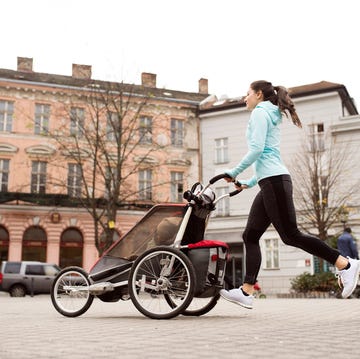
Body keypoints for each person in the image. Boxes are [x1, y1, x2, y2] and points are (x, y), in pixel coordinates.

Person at [219, 80, 360, 309]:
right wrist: (248, 182)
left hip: (274, 182)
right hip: (269, 182)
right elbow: (268, 156)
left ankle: (345, 264)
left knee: (290, 235)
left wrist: (233, 172)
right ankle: (246, 291)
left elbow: (256, 150)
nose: (245, 99)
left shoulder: (259, 114)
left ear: (258, 94)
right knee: (250, 235)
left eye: (247, 94)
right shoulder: (270, 114)